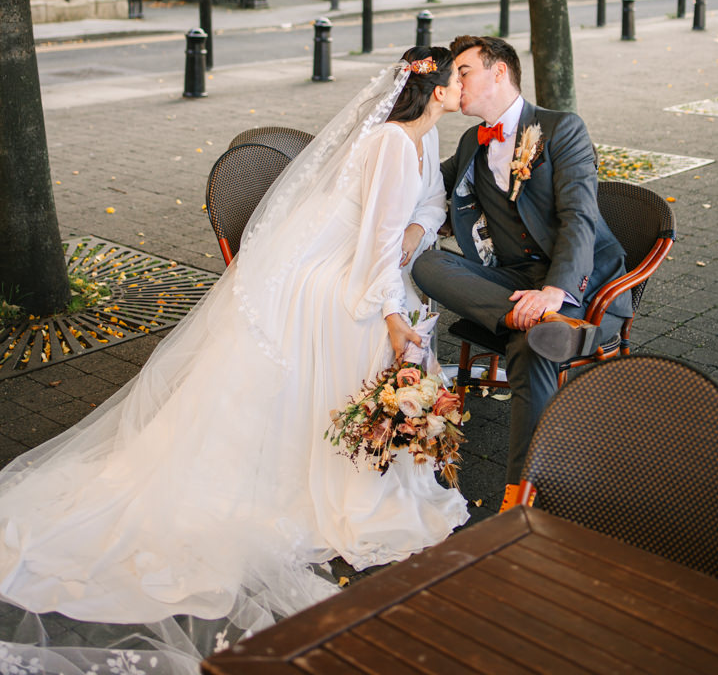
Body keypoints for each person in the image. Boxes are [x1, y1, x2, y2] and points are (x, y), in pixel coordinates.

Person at [0, 47, 467, 674]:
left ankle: (375, 445)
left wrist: (414, 239)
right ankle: (346, 464)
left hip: (370, 260)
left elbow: (427, 210)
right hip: (332, 271)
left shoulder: (423, 140)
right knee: (373, 318)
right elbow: (378, 241)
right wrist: (387, 310)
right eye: (458, 76)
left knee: (399, 311)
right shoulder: (389, 143)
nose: (466, 83)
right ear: (435, 90)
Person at [414, 35, 628, 512]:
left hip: (581, 286)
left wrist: (555, 290)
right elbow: (421, 184)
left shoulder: (561, 129)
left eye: (463, 71)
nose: (455, 81)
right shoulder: (472, 141)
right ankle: (532, 323)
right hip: (511, 286)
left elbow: (580, 218)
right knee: (427, 263)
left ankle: (520, 500)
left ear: (499, 73)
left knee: (532, 350)